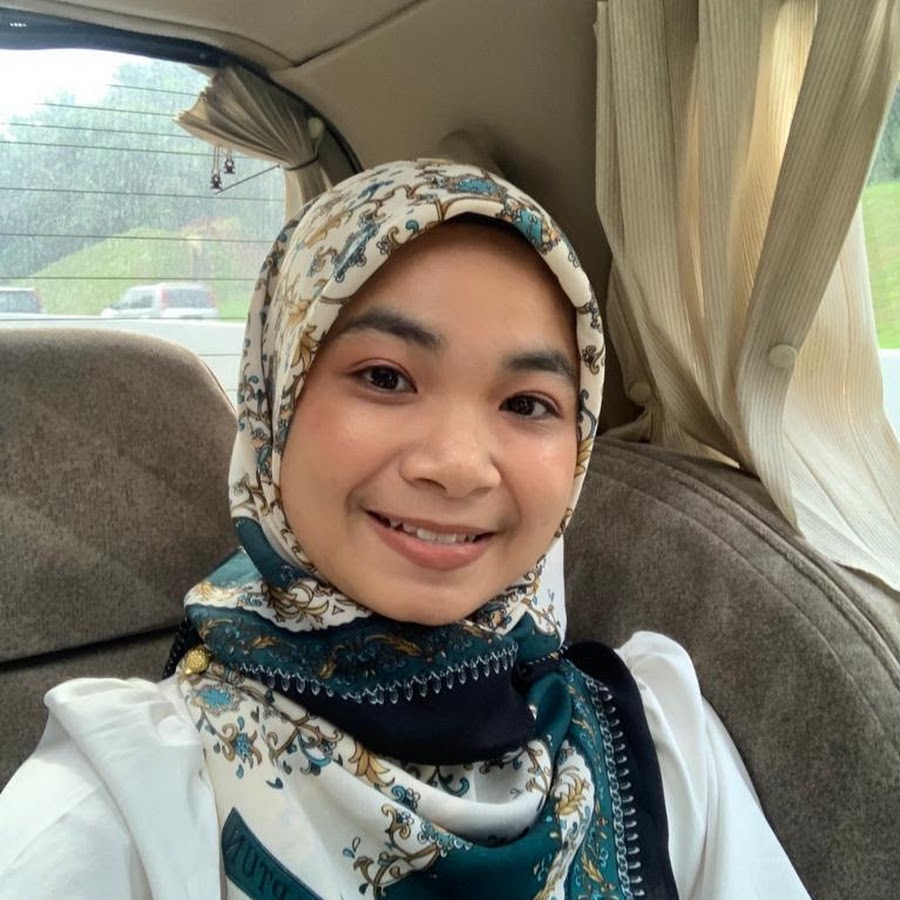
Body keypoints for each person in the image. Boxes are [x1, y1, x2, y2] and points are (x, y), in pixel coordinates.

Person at [0, 159, 810, 899]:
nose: (458, 466)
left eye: (527, 403)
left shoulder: (661, 748)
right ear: (275, 405)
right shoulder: (121, 804)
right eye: (385, 377)